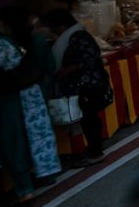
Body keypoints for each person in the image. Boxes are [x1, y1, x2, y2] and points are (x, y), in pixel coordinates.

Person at [0, 9, 60, 205]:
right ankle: (46, 175)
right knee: (36, 137)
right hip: (33, 95)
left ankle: (24, 191)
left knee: (13, 143)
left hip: (10, 100)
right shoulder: (31, 39)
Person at [45, 9, 113, 168]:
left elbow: (89, 60)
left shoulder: (78, 36)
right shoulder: (74, 35)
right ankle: (95, 149)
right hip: (83, 84)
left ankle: (96, 153)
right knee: (89, 118)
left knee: (89, 118)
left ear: (61, 26)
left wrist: (67, 70)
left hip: (86, 85)